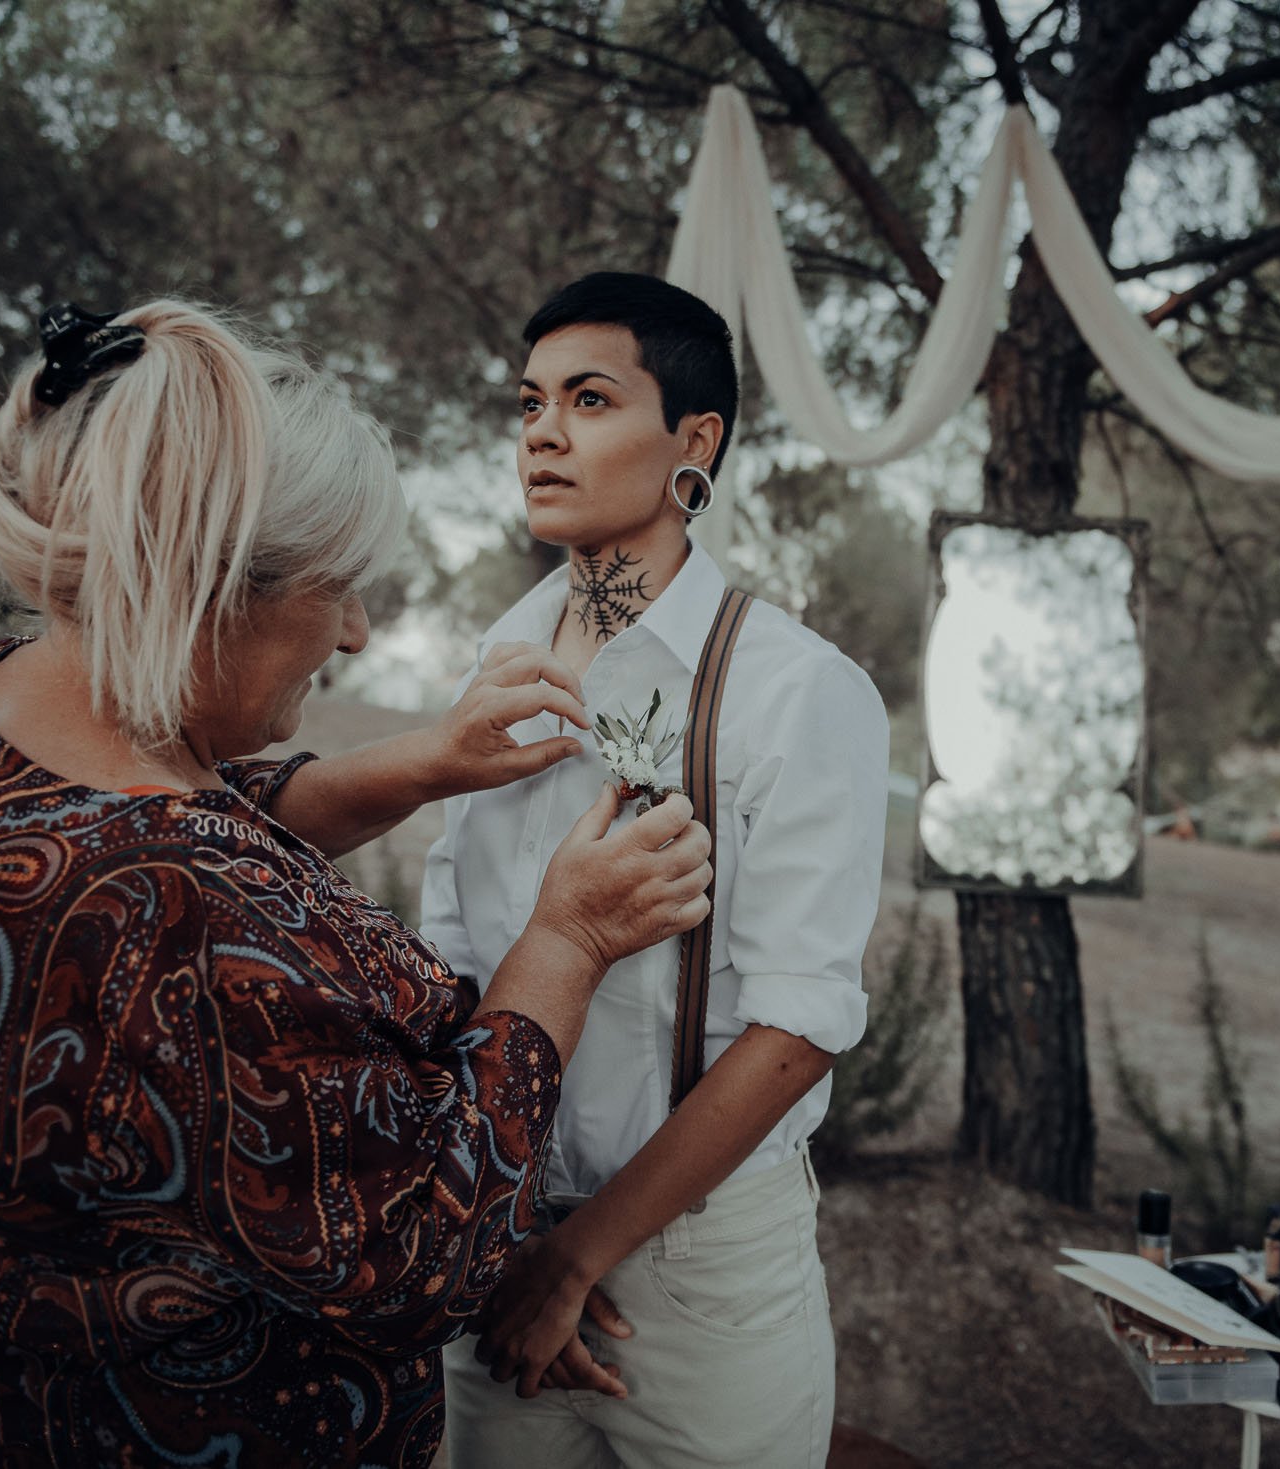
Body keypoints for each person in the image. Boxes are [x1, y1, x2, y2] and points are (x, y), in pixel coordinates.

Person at [0, 300, 712, 1468]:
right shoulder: (180, 920)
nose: (354, 633)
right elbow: (417, 1249)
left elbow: (172, 809)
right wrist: (568, 939)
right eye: (338, 587)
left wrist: (413, 763)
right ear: (206, 589)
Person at [427, 273, 889, 1469]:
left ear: (695, 443)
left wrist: (577, 1262)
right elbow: (454, 951)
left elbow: (799, 1026)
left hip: (699, 1273)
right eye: (528, 402)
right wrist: (493, 1230)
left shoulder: (801, 690)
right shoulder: (499, 658)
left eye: (587, 398)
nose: (541, 430)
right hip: (498, 1230)